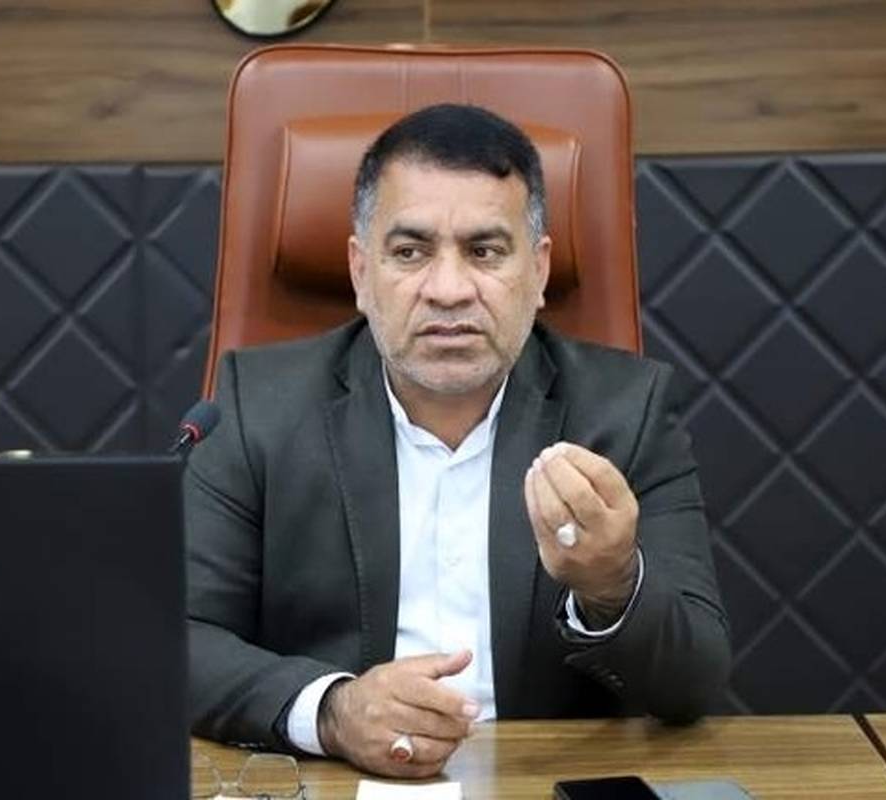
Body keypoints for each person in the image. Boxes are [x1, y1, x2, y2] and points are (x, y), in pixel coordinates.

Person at [185, 103, 730, 778]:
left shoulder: (625, 412)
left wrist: (612, 585)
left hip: (544, 781)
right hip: (334, 781)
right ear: (360, 272)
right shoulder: (256, 407)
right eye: (410, 253)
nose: (448, 290)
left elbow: (694, 686)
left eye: (484, 252)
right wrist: (332, 711)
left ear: (538, 272)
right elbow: (178, 641)